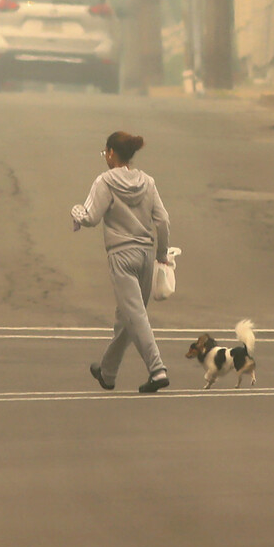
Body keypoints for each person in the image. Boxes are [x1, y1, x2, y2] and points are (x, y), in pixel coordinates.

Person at [71, 131, 171, 393]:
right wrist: (162, 255)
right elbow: (162, 220)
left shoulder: (104, 181)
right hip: (146, 255)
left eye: (105, 153)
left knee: (135, 316)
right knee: (127, 317)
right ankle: (108, 372)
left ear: (112, 153)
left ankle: (157, 369)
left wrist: (76, 213)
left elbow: (91, 217)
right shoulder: (148, 182)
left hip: (121, 255)